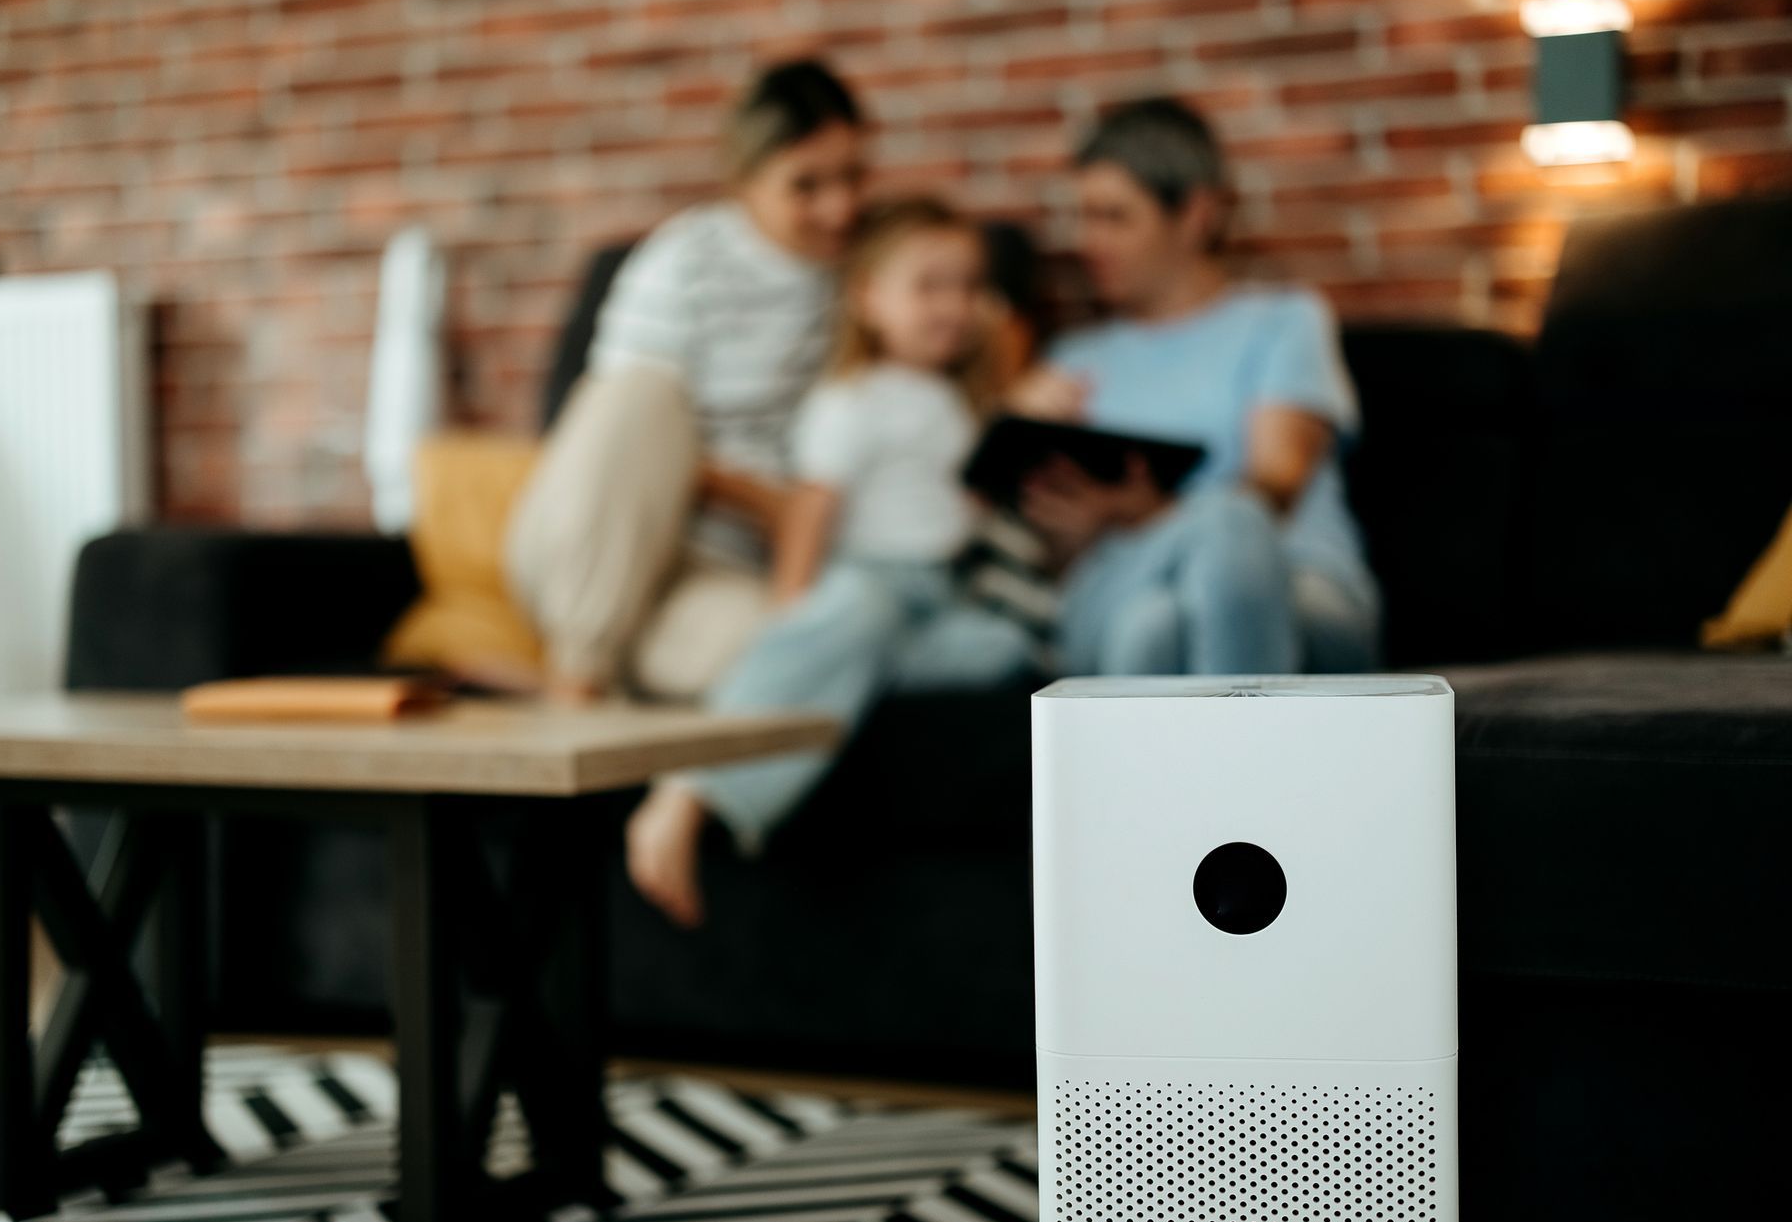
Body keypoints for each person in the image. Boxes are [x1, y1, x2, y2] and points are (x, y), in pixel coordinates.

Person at [626, 197, 1036, 927]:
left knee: (1005, 644)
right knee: (856, 616)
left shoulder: (959, 400)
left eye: (968, 286)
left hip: (939, 600)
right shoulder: (851, 401)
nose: (954, 304)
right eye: (929, 285)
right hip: (870, 581)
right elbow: (811, 510)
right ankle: (687, 792)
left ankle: (845, 668)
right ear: (868, 298)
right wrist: (794, 605)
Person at [508, 59, 866, 703]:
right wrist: (768, 503)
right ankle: (580, 668)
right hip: (600, 542)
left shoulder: (861, 280)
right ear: (745, 181)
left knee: (792, 647)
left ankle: (594, 670)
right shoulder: (682, 260)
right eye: (806, 186)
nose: (839, 208)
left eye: (852, 177)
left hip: (716, 575)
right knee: (642, 395)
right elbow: (625, 439)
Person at [1011, 97, 1380, 677]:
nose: (1089, 242)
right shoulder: (1067, 365)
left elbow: (1274, 489)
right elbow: (1053, 561)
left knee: (1192, 577)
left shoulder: (1283, 322)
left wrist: (1142, 512)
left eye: (1114, 217)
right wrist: (1024, 442)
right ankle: (1252, 760)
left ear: (1197, 215)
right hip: (1121, 583)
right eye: (1084, 217)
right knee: (1148, 614)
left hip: (1294, 579)